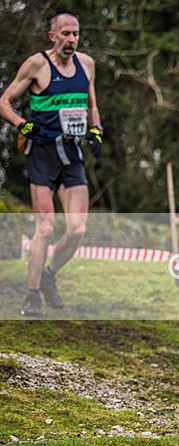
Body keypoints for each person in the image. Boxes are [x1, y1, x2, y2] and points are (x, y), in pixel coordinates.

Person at [0, 13, 103, 316]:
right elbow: (4, 101)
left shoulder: (87, 64)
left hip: (72, 154)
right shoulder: (36, 65)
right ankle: (32, 295)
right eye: (66, 33)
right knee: (45, 227)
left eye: (76, 34)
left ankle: (49, 275)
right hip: (43, 154)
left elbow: (92, 104)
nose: (71, 40)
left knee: (77, 229)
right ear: (52, 36)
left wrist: (97, 129)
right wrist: (21, 124)